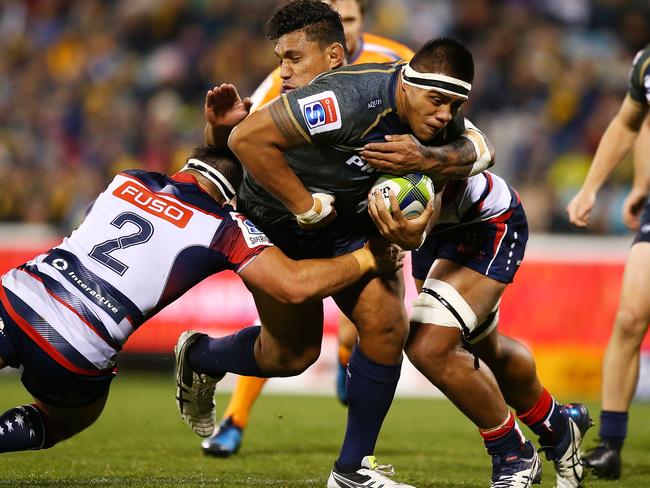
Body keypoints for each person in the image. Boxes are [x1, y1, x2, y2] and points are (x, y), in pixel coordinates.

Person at [199, 0, 494, 461]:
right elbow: (244, 139)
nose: (283, 71)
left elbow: (478, 145)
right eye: (281, 60)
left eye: (293, 58)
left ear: (336, 52)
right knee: (291, 356)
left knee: (388, 324)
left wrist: (427, 161)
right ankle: (200, 357)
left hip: (341, 223)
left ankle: (352, 467)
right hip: (277, 221)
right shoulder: (333, 99)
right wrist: (306, 206)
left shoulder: (417, 85)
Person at [0, 145, 403, 453]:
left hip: (17, 294)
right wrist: (368, 257)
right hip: (77, 347)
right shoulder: (225, 227)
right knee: (67, 419)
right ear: (234, 195)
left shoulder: (128, 179)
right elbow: (292, 285)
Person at [566, 44, 650, 480]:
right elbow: (632, 122)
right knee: (630, 318)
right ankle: (611, 445)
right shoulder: (647, 64)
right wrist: (593, 188)